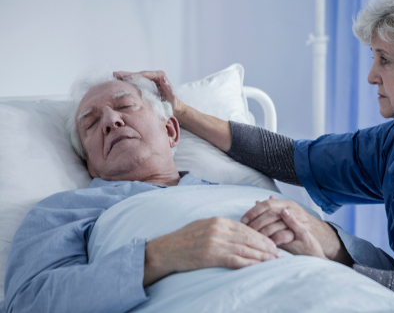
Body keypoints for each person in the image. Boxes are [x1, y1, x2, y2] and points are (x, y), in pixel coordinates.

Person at [115, 0, 394, 312]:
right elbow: (295, 159)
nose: (370, 76)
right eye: (373, 58)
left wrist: (329, 260)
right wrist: (183, 110)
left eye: (385, 60)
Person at [1, 72, 282, 313]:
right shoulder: (62, 211)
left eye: (125, 105)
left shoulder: (242, 192)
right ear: (90, 164)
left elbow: (324, 247)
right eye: (91, 124)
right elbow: (29, 302)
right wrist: (157, 255)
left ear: (171, 130)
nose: (111, 121)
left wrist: (323, 241)